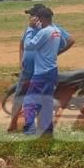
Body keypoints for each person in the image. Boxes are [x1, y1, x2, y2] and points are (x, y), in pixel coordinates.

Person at [8, 4, 75, 132]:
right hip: (29, 69)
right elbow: (22, 44)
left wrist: (55, 53)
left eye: (33, 15)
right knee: (21, 96)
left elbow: (70, 40)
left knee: (32, 101)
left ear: (40, 17)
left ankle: (33, 129)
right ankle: (14, 124)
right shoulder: (36, 28)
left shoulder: (48, 29)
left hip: (40, 71)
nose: (30, 18)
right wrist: (21, 60)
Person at [22, 7, 62, 136]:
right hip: (52, 70)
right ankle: (47, 129)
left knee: (29, 102)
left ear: (42, 19)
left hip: (41, 72)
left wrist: (30, 29)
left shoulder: (44, 32)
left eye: (37, 19)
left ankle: (29, 129)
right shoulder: (56, 31)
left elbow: (28, 46)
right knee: (46, 101)